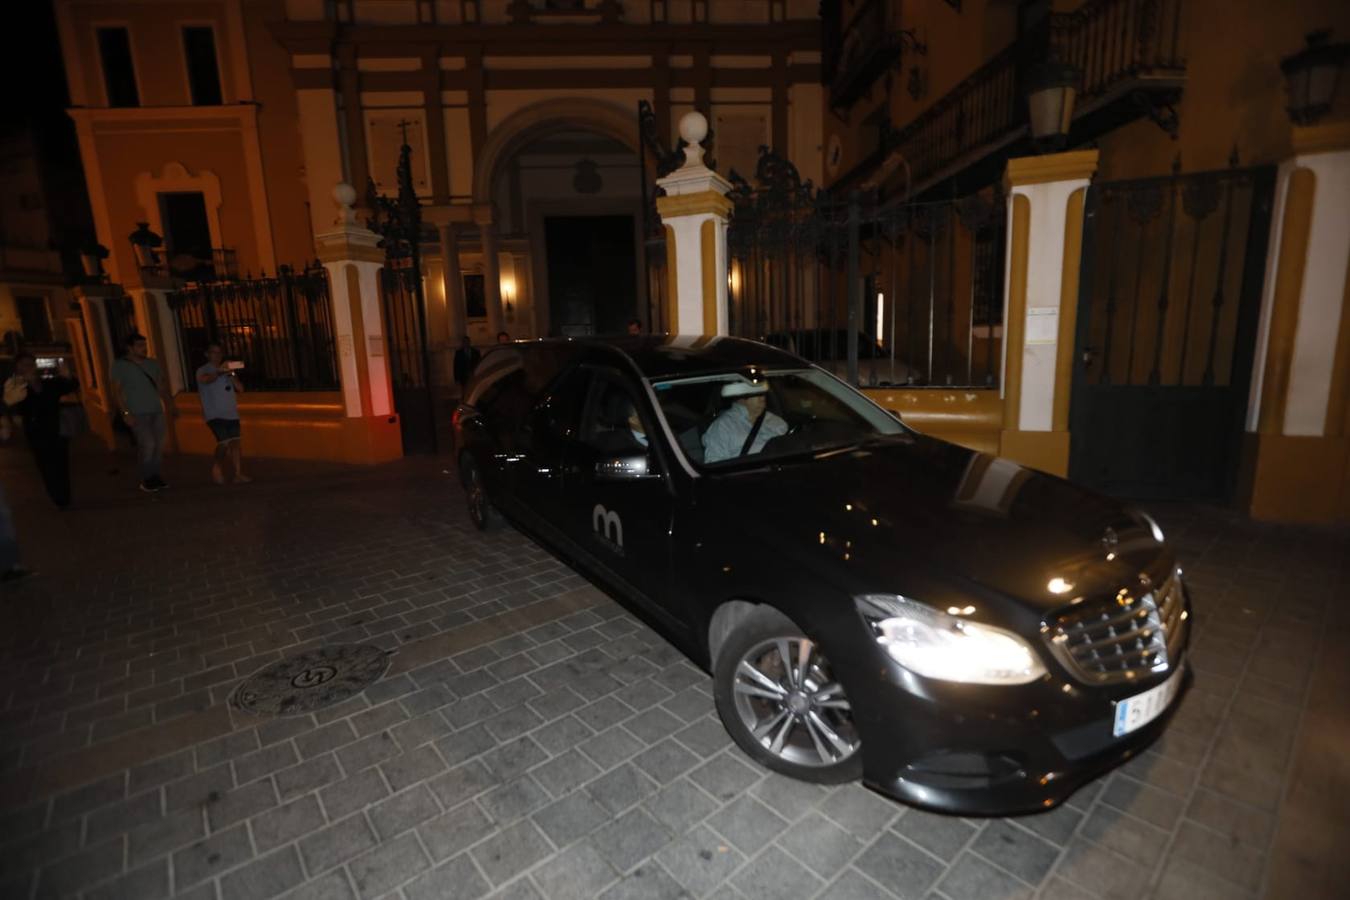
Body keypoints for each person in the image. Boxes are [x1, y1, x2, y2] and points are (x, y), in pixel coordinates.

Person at [3, 353, 77, 508]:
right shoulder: (15, 387)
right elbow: (12, 408)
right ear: (18, 367)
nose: (29, 367)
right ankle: (58, 497)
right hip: (36, 433)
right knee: (46, 466)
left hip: (57, 430)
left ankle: (64, 496)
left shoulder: (48, 384)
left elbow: (70, 386)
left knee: (61, 464)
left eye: (31, 363)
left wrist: (68, 376)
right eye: (24, 364)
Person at [109, 332, 176, 493]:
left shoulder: (153, 364)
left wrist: (170, 404)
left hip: (156, 410)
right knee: (148, 444)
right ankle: (147, 478)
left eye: (145, 345)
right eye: (139, 346)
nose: (144, 348)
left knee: (158, 445)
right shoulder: (120, 366)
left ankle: (155, 475)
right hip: (137, 412)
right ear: (130, 348)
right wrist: (125, 413)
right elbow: (116, 392)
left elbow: (161, 386)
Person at [196, 344, 249, 485]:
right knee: (224, 442)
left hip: (231, 412)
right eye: (214, 352)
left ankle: (238, 474)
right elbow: (206, 379)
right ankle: (217, 468)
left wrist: (231, 373)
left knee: (235, 443)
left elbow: (240, 388)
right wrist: (220, 371)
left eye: (220, 352)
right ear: (207, 354)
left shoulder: (228, 370)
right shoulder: (203, 370)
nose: (218, 355)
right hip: (214, 414)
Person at [702, 380, 788, 463]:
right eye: (757, 394)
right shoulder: (722, 427)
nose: (762, 399)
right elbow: (715, 464)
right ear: (741, 396)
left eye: (763, 393)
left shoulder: (777, 421)